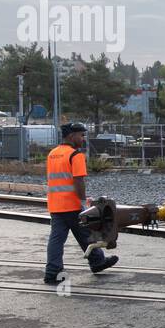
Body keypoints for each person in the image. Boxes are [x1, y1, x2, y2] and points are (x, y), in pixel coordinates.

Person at [44, 122, 118, 285]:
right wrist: (83, 201)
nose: (83, 138)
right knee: (86, 232)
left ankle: (52, 271)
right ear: (71, 136)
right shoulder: (75, 155)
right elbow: (78, 180)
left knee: (58, 239)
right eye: (81, 135)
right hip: (72, 204)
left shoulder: (52, 154)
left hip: (55, 205)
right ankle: (97, 262)